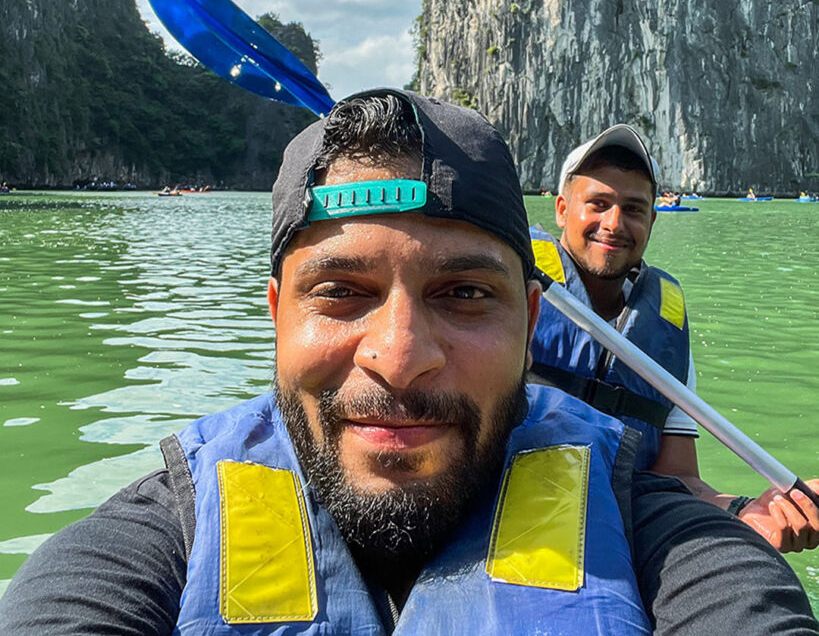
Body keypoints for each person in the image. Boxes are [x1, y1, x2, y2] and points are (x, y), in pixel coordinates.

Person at [1, 91, 816, 635]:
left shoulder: (655, 529)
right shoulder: (154, 536)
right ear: (276, 312)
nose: (399, 358)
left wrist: (745, 512)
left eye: (463, 293)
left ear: (528, 323)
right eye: (340, 291)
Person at [529, 124, 819, 554]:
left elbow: (679, 480)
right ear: (561, 209)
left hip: (631, 526)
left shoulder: (666, 331)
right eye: (598, 204)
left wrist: (746, 511)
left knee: (760, 583)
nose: (614, 224)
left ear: (652, 219)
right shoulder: (510, 294)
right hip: (514, 512)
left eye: (633, 208)